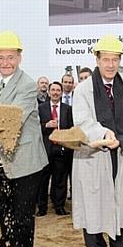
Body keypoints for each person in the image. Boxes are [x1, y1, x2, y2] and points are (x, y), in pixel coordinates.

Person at [72, 35, 123, 247]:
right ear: (97, 60)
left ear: (120, 61)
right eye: (106, 60)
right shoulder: (83, 90)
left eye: (115, 60)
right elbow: (82, 122)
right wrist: (105, 133)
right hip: (94, 157)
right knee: (94, 211)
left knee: (117, 207)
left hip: (120, 157)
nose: (111, 65)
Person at [0, 30, 47, 247]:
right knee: (3, 208)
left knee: (22, 213)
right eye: (1, 57)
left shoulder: (28, 85)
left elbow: (11, 118)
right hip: (1, 159)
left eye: (10, 57)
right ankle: (6, 246)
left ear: (20, 57)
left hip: (26, 161)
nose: (5, 62)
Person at [37, 81, 73, 216]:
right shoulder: (41, 108)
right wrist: (45, 125)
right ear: (49, 91)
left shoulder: (67, 109)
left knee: (60, 180)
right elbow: (34, 128)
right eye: (53, 90)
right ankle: (42, 207)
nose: (55, 92)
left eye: (58, 90)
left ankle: (59, 206)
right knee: (43, 180)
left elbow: (71, 128)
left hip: (61, 149)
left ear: (62, 92)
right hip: (45, 149)